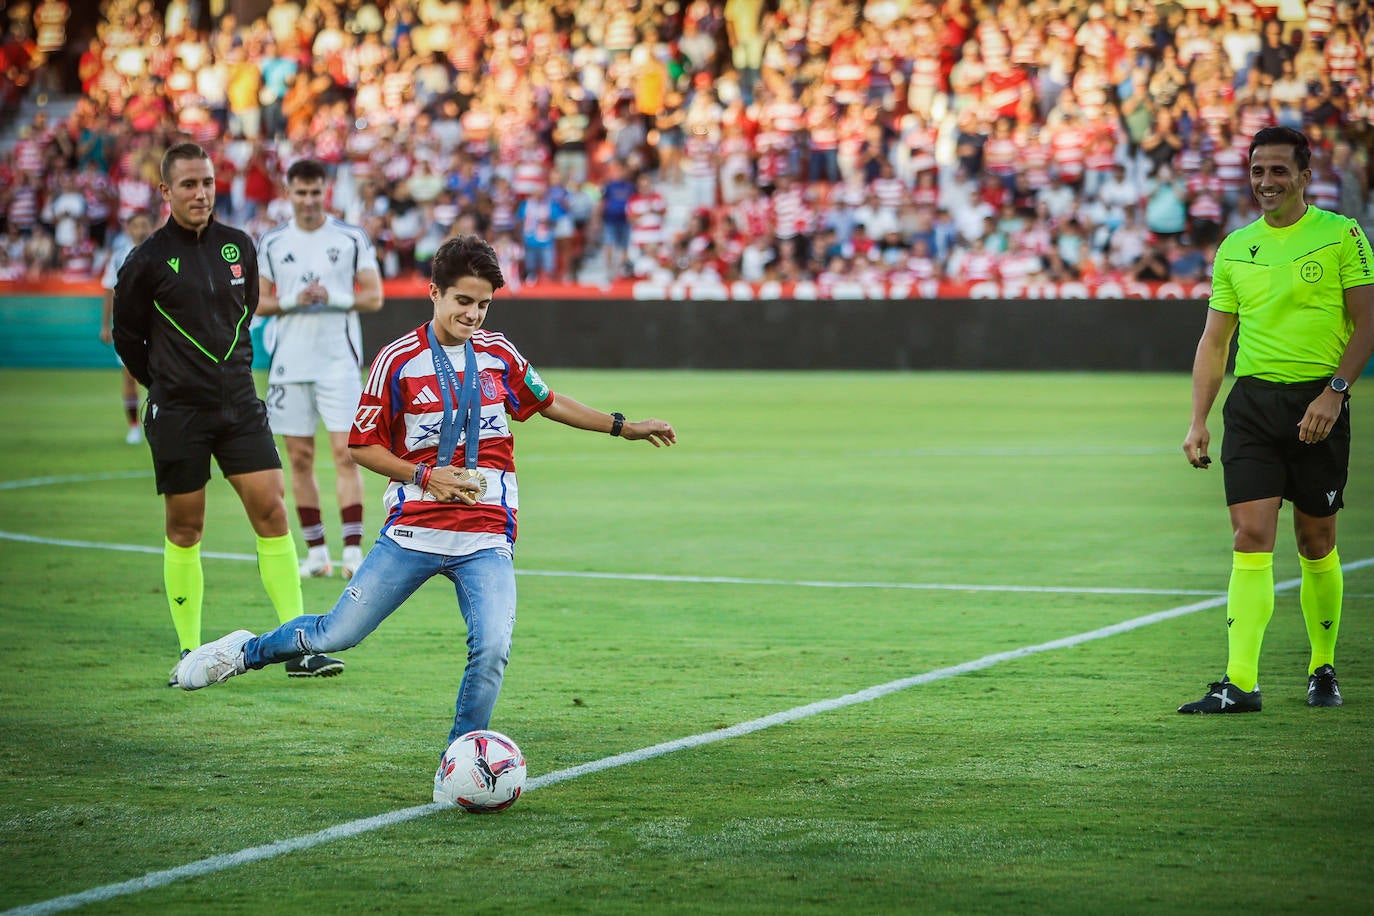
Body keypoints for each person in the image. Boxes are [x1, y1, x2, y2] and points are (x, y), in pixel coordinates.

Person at [173, 235, 677, 798]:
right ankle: (243, 651)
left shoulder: (498, 353)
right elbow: (360, 445)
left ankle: (458, 769)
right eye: (463, 300)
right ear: (434, 293)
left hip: (486, 534)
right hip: (413, 531)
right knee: (335, 634)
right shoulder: (397, 361)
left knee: (491, 647)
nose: (473, 314)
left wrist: (622, 425)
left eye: (483, 304)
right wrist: (423, 475)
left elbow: (547, 399)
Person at [1179, 126, 1374, 714]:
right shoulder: (1236, 246)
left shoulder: (1342, 235)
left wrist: (1334, 394)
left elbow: (1366, 322)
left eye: (1279, 171)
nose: (1267, 182)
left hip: (1318, 403)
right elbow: (1215, 342)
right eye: (1258, 171)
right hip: (1253, 408)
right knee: (1250, 537)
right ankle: (1241, 683)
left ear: (1305, 176)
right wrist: (1198, 420)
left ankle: (1322, 667)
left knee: (1316, 542)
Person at [111, 142, 308, 684]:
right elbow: (127, 338)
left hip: (240, 405)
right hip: (179, 412)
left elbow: (244, 315)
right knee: (185, 527)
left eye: (208, 183)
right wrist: (164, 384)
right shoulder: (146, 261)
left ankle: (297, 643)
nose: (201, 193)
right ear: (166, 191)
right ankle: (190, 650)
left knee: (272, 510)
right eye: (190, 185)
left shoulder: (238, 245)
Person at [256, 159, 384, 590]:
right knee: (299, 457)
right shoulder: (272, 242)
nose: (308, 201)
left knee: (348, 453)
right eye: (301, 193)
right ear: (288, 193)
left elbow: (374, 297)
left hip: (338, 362)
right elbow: (258, 303)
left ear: (325, 192)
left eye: (315, 192)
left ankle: (351, 551)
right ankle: (315, 554)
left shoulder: (349, 238)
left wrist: (334, 295)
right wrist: (293, 298)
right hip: (290, 363)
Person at [99, 209, 153, 445]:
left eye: (144, 225)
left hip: (156, 327)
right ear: (128, 229)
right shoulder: (119, 257)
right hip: (129, 328)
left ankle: (159, 422)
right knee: (130, 377)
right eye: (136, 225)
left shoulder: (161, 253)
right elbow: (110, 291)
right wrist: (105, 325)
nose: (141, 230)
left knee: (163, 376)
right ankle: (134, 427)